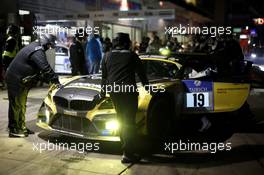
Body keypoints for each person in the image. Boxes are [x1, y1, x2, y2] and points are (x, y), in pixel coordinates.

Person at [100, 33, 149, 163]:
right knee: (129, 122)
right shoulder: (132, 55)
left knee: (121, 119)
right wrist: (149, 89)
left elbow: (104, 77)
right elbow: (142, 74)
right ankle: (128, 153)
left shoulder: (106, 56)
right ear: (126, 43)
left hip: (114, 92)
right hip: (128, 92)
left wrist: (102, 92)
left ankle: (125, 149)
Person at [5, 33, 61, 138]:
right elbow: (45, 67)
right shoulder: (37, 50)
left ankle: (21, 126)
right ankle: (14, 130)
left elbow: (40, 72)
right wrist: (55, 81)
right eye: (49, 45)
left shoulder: (36, 47)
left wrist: (47, 80)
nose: (49, 48)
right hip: (15, 79)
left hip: (21, 80)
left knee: (21, 104)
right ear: (45, 42)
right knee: (16, 105)